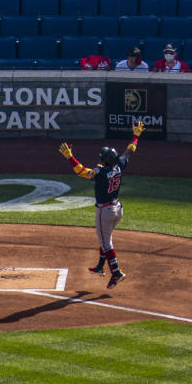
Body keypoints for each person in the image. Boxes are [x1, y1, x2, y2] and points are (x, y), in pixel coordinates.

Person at [58, 121, 146, 289]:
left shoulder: (100, 172)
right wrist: (136, 135)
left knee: (106, 243)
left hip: (104, 211)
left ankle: (116, 272)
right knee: (105, 238)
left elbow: (81, 171)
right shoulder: (120, 164)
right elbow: (130, 150)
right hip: (117, 209)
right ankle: (100, 266)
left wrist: (70, 157)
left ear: (104, 160)